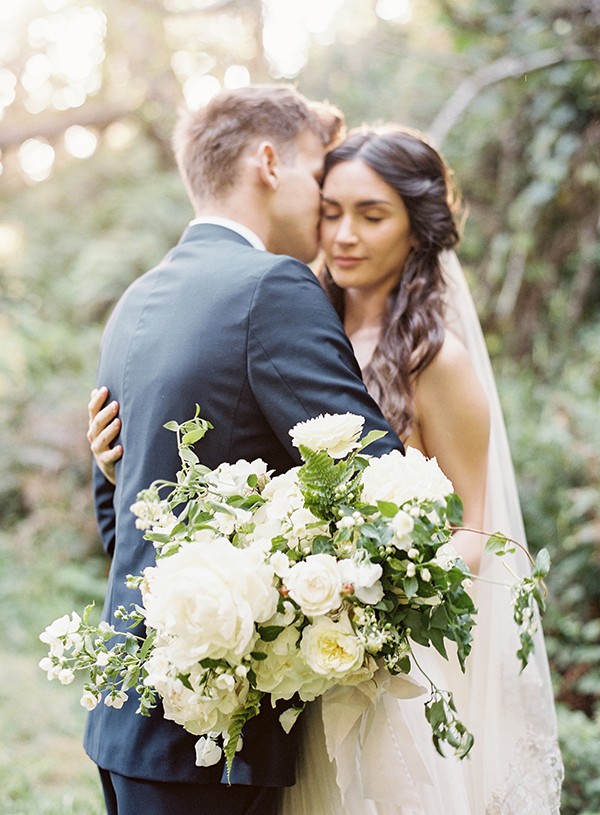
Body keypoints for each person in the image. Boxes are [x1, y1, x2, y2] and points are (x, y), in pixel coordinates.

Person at [89, 123, 564, 813]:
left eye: (371, 216)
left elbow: (471, 526)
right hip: (290, 677)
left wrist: (367, 599)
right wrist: (121, 464)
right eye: (330, 211)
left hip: (377, 664)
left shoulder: (438, 360)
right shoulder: (294, 321)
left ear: (416, 229)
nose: (344, 234)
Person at [84, 85, 407, 815]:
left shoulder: (136, 299)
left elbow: (117, 522)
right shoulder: (273, 286)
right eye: (321, 179)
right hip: (210, 742)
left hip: (125, 719)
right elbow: (384, 483)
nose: (327, 213)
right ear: (270, 161)